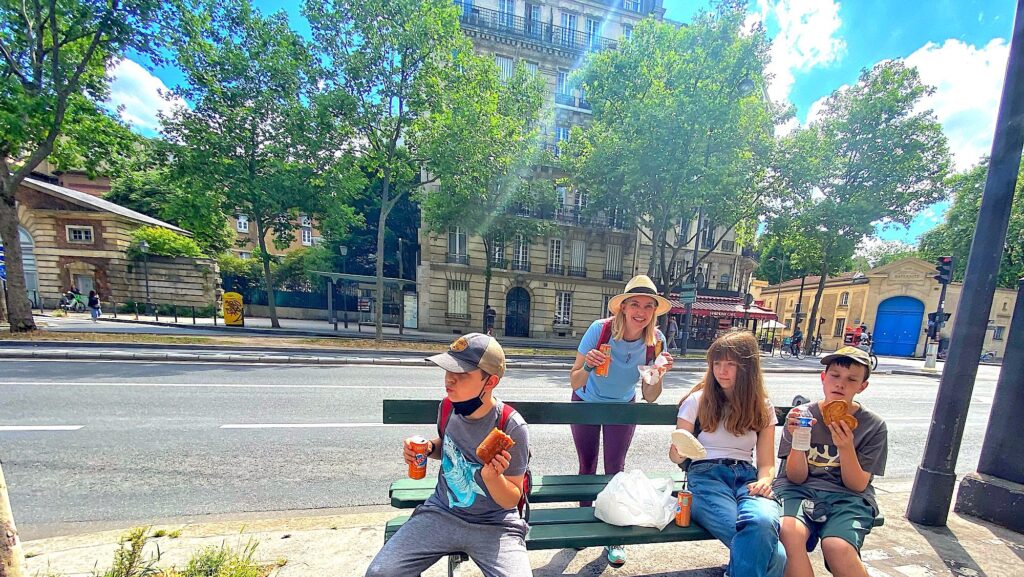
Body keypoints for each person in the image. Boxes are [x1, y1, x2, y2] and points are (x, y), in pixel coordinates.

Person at [365, 333, 531, 577]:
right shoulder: (447, 407)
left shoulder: (510, 426)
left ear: (490, 381)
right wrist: (427, 449)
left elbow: (511, 500)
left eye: (462, 374)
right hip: (442, 512)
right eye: (447, 369)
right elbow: (449, 446)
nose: (449, 380)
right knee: (380, 573)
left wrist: (493, 477)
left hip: (495, 524)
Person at [570, 274, 674, 567]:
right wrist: (589, 364)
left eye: (648, 306)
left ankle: (614, 536)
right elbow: (574, 378)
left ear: (654, 311)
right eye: (634, 304)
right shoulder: (599, 330)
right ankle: (582, 524)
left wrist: (657, 374)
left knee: (616, 470)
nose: (640, 312)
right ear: (623, 307)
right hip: (586, 403)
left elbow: (650, 396)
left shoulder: (656, 342)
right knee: (587, 466)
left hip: (623, 407)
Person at [669, 329, 786, 577]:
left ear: (747, 368)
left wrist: (765, 481)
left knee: (763, 522)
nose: (722, 371)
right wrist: (679, 450)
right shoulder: (697, 401)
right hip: (706, 475)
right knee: (776, 555)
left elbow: (766, 463)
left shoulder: (762, 406)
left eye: (730, 364)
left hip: (748, 478)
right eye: (717, 364)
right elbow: (676, 455)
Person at [774, 346, 888, 577]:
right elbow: (795, 477)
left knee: (837, 546)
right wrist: (799, 440)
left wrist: (846, 446)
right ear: (823, 378)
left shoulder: (873, 426)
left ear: (862, 386)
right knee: (788, 531)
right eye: (835, 376)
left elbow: (857, 485)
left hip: (848, 497)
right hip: (799, 490)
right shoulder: (801, 416)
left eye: (851, 379)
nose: (840, 384)